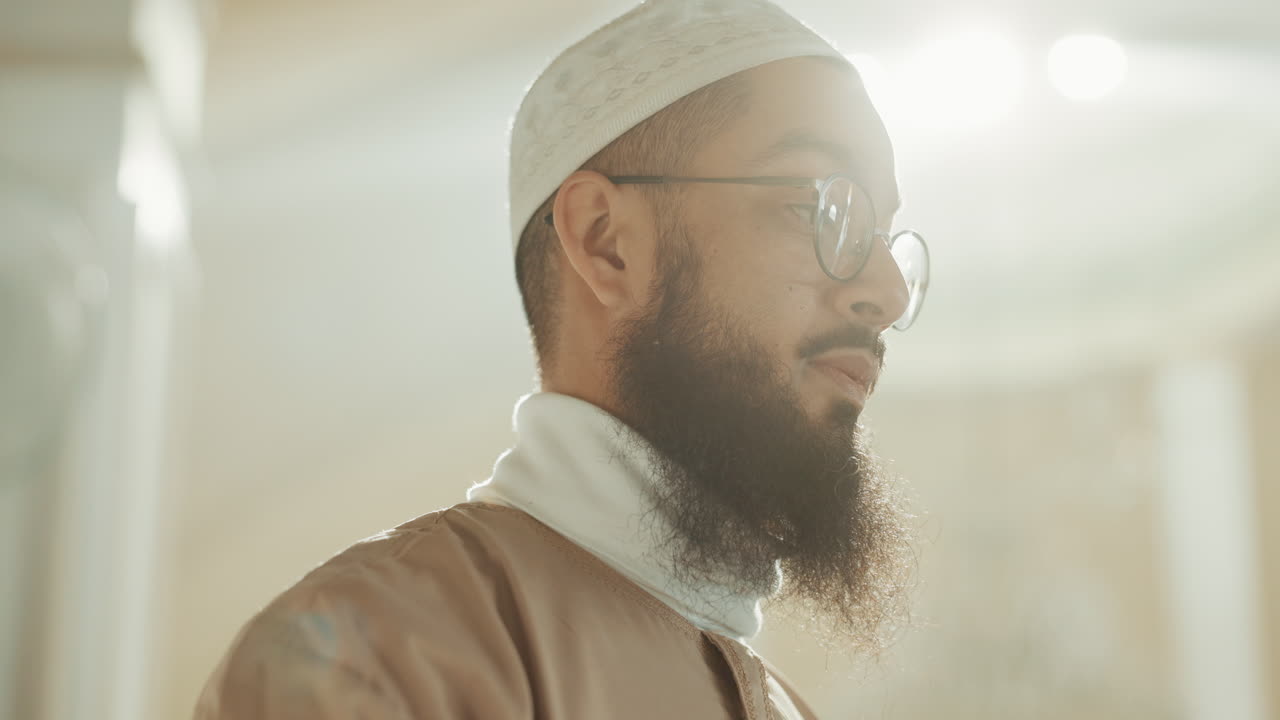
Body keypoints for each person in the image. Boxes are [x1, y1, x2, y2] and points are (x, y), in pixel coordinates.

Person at [194, 0, 930, 717]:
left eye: (886, 234)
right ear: (606, 240)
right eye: (823, 209)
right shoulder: (373, 656)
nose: (889, 293)